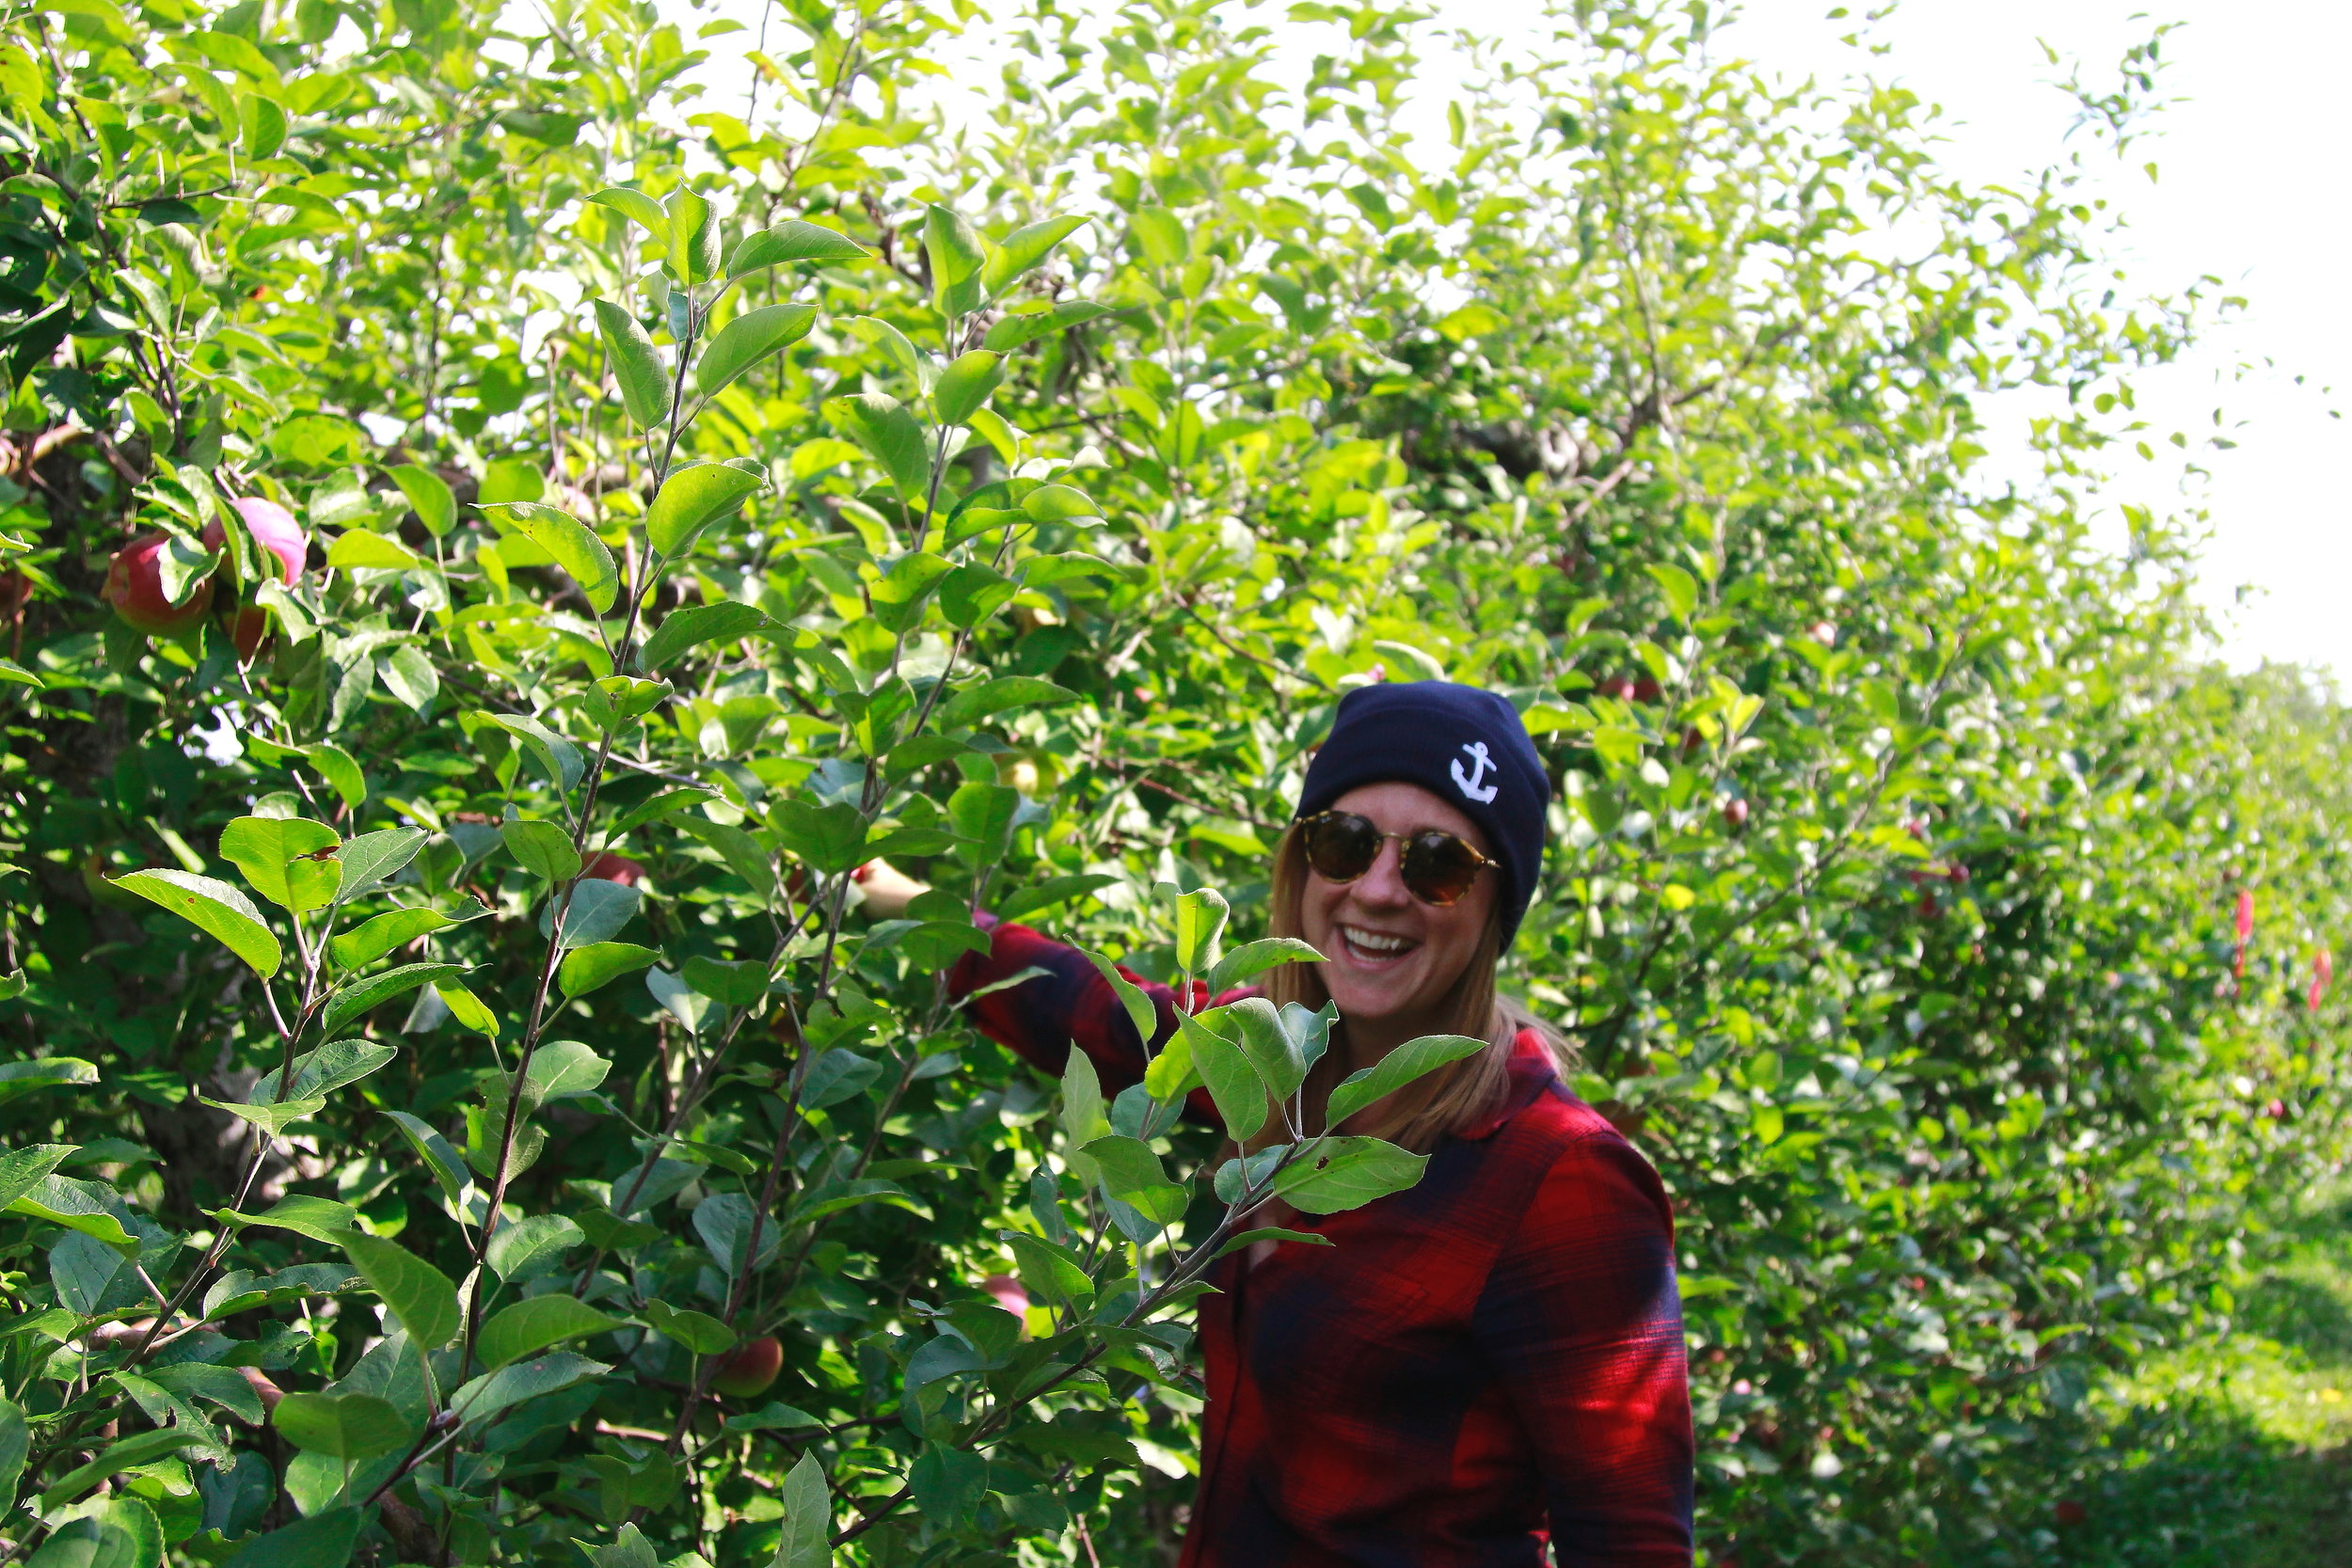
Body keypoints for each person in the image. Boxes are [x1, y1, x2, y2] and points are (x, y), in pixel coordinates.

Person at [859, 681, 1695, 1567]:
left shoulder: (1559, 1179)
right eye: (1345, 842)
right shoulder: (1281, 1057)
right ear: (1301, 862)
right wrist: (907, 904)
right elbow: (1099, 1014)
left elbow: (1634, 1545)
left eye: (1438, 864)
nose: (1379, 889)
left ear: (1497, 906)